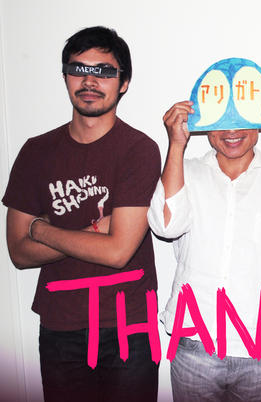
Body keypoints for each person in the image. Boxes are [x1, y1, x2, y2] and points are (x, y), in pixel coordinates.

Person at [2, 27, 161, 401]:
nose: (90, 81)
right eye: (79, 69)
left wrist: (41, 230)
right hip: (61, 326)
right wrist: (95, 230)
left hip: (129, 325)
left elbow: (118, 252)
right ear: (65, 77)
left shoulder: (139, 150)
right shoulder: (36, 152)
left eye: (104, 71)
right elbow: (18, 252)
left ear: (123, 83)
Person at [147, 97, 261, 400]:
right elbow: (166, 227)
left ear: (259, 120)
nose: (231, 130)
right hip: (194, 343)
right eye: (221, 120)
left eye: (241, 118)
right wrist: (176, 145)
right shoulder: (184, 172)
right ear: (206, 126)